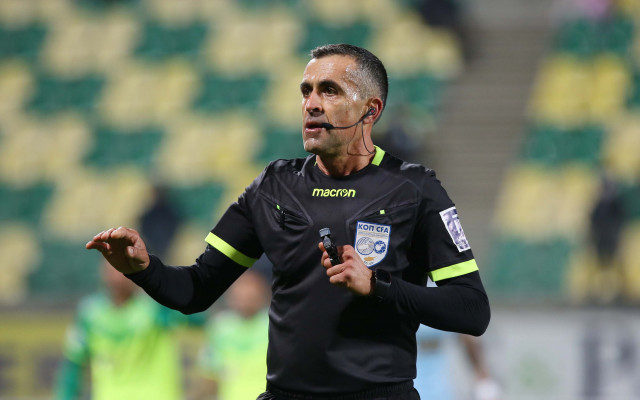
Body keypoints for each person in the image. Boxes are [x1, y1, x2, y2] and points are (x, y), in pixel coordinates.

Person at [86, 43, 490, 400]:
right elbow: (196, 290)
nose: (311, 103)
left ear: (371, 110)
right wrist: (143, 269)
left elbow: (472, 310)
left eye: (329, 90)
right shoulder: (273, 186)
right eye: (306, 91)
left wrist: (378, 285)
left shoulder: (415, 189)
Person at [55, 262, 201, 400]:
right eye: (113, 267)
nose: (118, 276)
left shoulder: (157, 306)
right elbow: (72, 369)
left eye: (123, 267)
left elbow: (198, 317)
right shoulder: (89, 315)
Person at [191, 269, 270, 400]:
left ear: (262, 292)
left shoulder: (274, 324)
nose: (244, 295)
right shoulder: (220, 327)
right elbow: (209, 374)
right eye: (240, 289)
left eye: (250, 289)